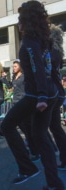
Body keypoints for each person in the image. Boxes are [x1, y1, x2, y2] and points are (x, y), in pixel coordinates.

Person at [0, 1, 64, 189]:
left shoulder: (29, 41)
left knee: (6, 126)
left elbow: (37, 68)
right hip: (49, 93)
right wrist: (54, 92)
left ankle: (27, 168)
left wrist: (43, 96)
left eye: (20, 18)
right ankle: (54, 183)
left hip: (37, 95)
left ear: (26, 20)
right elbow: (49, 68)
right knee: (41, 136)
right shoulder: (44, 39)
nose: (18, 21)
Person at [48, 24, 66, 172]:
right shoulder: (56, 51)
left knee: (52, 127)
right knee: (54, 127)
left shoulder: (52, 52)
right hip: (56, 92)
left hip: (54, 92)